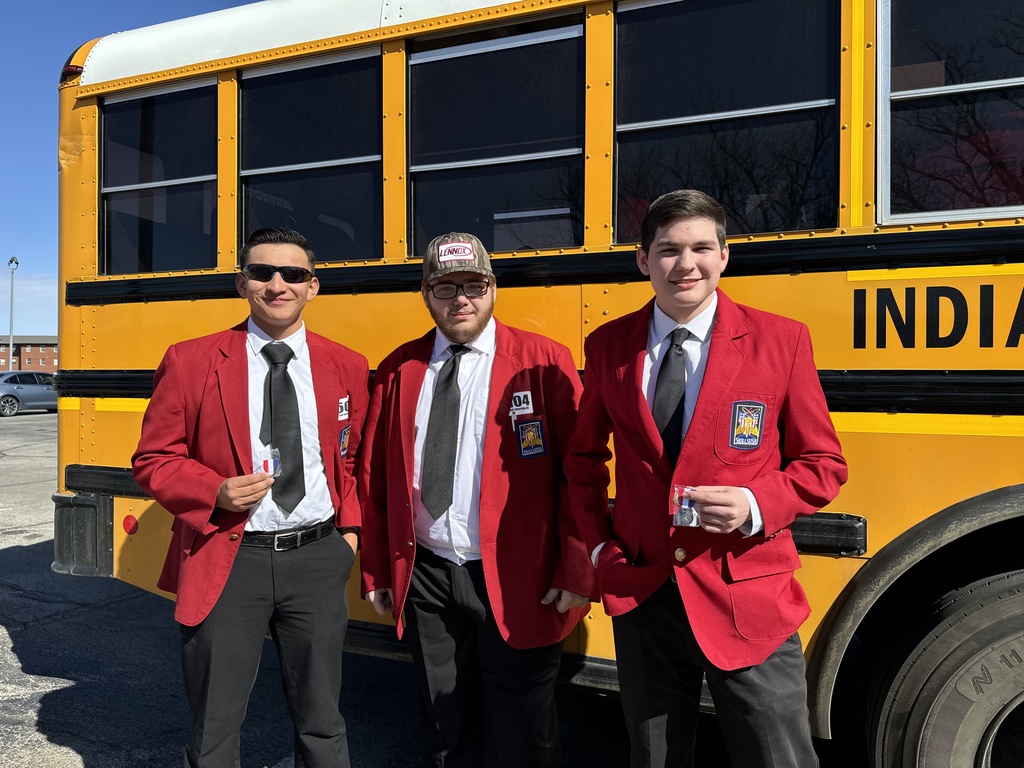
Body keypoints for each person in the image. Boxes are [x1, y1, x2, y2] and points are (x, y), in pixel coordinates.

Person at [566, 190, 847, 768]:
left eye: (700, 248)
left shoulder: (781, 341)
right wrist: (599, 548)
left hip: (746, 595)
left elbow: (823, 465)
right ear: (643, 260)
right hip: (643, 595)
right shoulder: (608, 346)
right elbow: (582, 460)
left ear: (724, 256)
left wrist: (754, 502)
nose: (685, 264)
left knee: (777, 756)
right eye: (668, 250)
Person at [132, 227, 368, 768]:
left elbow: (350, 458)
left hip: (316, 557)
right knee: (214, 726)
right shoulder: (191, 361)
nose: (277, 284)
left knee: (323, 721)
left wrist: (349, 536)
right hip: (226, 556)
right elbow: (152, 459)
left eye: (293, 274)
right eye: (262, 272)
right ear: (243, 283)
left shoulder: (347, 365)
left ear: (314, 287)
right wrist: (212, 489)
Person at [359, 232, 596, 768]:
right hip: (428, 575)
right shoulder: (399, 369)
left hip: (520, 575)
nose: (460, 298)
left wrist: (577, 567)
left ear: (493, 289)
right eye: (445, 286)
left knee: (523, 731)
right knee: (444, 726)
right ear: (425, 294)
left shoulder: (544, 362)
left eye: (474, 285)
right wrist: (376, 567)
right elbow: (376, 477)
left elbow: (579, 475)